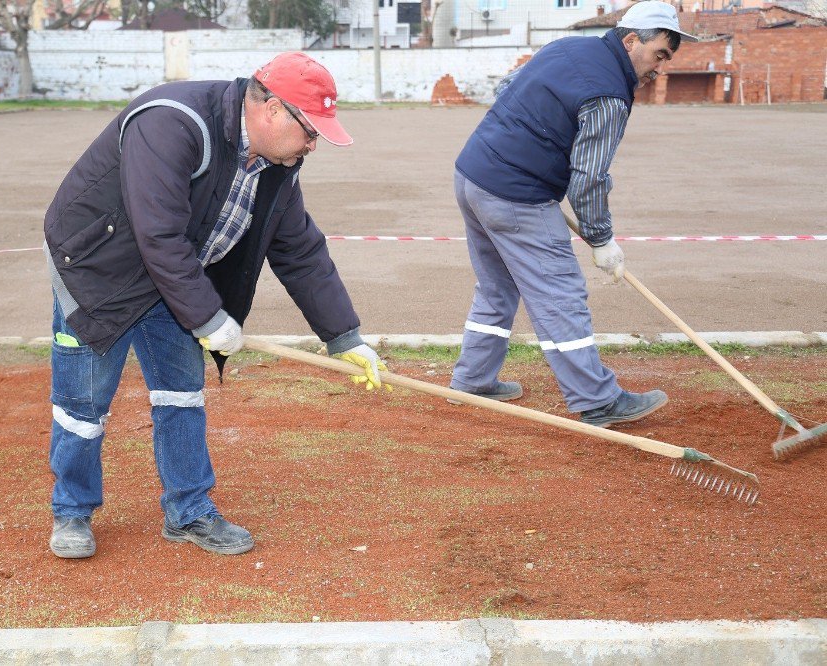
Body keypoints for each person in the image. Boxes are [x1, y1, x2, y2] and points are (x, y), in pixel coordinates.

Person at [42, 52, 388, 559]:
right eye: (310, 131)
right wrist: (207, 317)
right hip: (99, 272)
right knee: (83, 404)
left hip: (177, 280)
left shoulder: (277, 165)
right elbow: (157, 234)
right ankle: (71, 511)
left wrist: (344, 337)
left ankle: (189, 510)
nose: (313, 144)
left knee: (182, 394)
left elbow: (301, 253)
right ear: (272, 109)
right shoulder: (172, 121)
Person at [449, 2, 697, 427]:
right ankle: (596, 400)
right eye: (659, 53)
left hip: (473, 174)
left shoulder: (566, 47)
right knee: (560, 295)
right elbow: (590, 177)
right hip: (517, 194)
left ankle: (472, 380)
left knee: (496, 288)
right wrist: (601, 240)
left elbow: (507, 87)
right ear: (631, 40)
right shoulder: (609, 94)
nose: (661, 66)